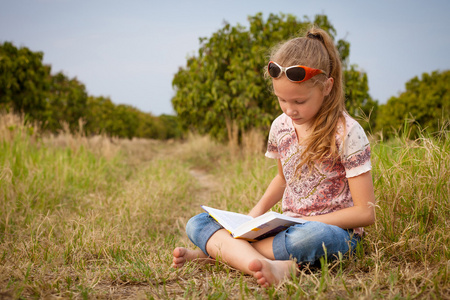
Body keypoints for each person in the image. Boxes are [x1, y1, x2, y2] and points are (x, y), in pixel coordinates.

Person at [172, 27, 375, 288]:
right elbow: (281, 179)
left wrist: (306, 221)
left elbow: (365, 212)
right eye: (281, 100)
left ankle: (220, 253)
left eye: (299, 101)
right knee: (196, 223)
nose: (290, 110)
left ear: (327, 87)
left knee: (310, 238)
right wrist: (249, 221)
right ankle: (266, 261)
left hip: (333, 233)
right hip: (283, 229)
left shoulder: (347, 132)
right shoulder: (280, 126)